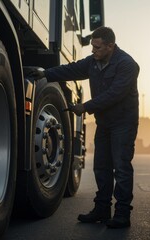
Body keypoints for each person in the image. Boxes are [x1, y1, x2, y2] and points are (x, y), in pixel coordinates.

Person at [30, 26, 139, 228]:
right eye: (92, 47)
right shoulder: (93, 62)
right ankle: (102, 209)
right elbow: (71, 69)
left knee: (121, 168)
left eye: (97, 47)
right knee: (101, 167)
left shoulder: (127, 65)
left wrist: (85, 107)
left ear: (110, 46)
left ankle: (122, 214)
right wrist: (46, 74)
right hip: (104, 123)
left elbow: (114, 94)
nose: (93, 51)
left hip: (123, 124)